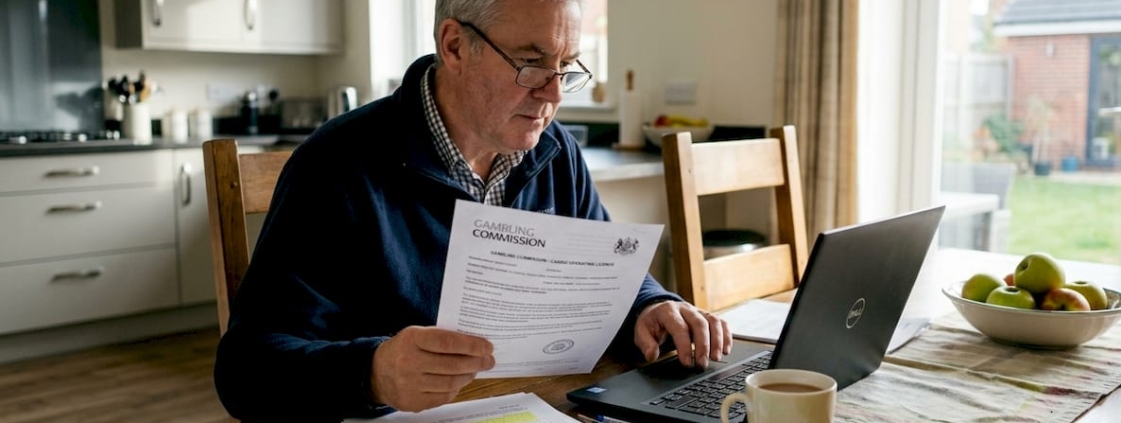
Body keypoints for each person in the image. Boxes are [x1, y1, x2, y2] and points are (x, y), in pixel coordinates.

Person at [212, 0, 732, 421]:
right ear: (455, 45)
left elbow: (605, 272)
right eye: (531, 64)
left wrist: (650, 303)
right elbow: (245, 372)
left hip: (539, 405)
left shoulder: (554, 150)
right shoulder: (336, 166)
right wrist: (371, 373)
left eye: (565, 68)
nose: (553, 95)